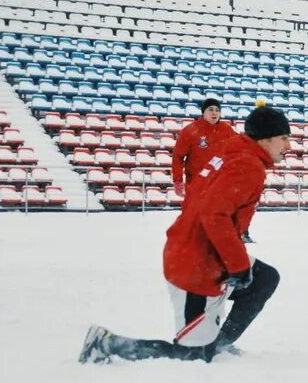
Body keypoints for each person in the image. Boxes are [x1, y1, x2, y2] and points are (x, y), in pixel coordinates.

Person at [78, 107, 291, 364]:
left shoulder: (235, 152)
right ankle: (106, 344)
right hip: (195, 267)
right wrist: (237, 264)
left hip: (200, 251)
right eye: (284, 138)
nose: (288, 145)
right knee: (192, 357)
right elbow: (214, 214)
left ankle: (217, 343)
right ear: (266, 138)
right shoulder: (247, 164)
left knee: (264, 278)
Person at [171, 97, 237, 202]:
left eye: (217, 110)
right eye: (210, 109)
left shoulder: (227, 130)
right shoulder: (190, 131)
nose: (214, 113)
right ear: (203, 112)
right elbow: (178, 156)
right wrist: (178, 181)